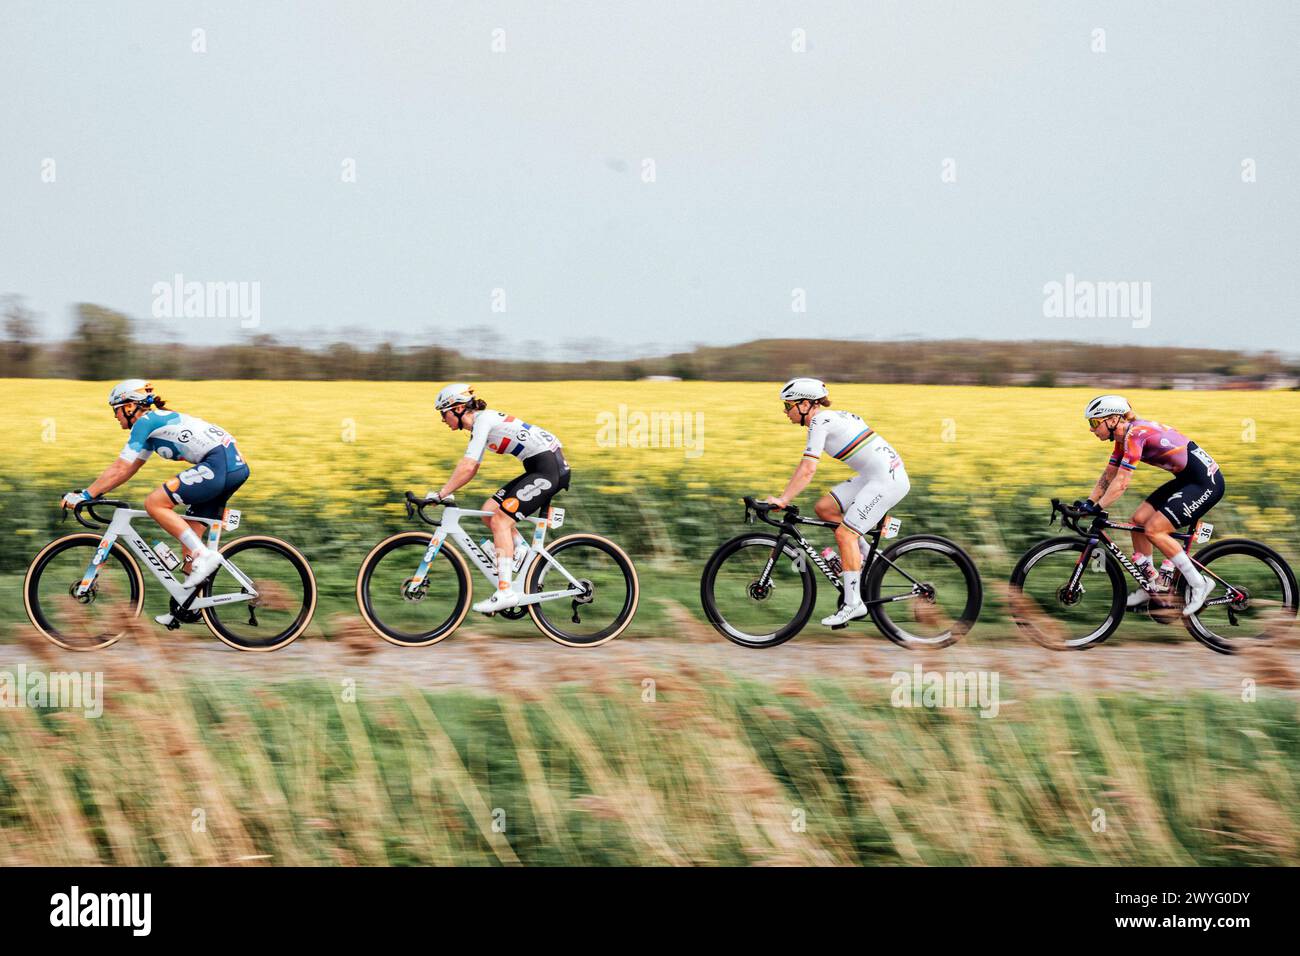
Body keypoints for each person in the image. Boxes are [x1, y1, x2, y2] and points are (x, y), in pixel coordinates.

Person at [62, 380, 250, 624]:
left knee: (155, 503)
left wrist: (85, 495)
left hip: (219, 465)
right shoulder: (151, 430)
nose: (115, 417)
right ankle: (191, 607)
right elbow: (127, 470)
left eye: (115, 410)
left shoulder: (145, 423)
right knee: (189, 546)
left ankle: (204, 557)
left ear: (130, 407)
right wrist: (94, 492)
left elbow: (120, 466)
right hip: (230, 466)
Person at [765, 377, 910, 627]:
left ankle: (853, 603)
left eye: (788, 406)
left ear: (805, 404)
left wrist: (784, 499)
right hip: (875, 477)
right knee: (825, 508)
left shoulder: (820, 422)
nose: (785, 412)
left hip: (886, 480)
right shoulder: (831, 417)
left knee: (845, 535)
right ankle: (867, 559)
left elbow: (808, 469)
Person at [428, 383, 570, 614]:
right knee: (490, 511)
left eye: (443, 414)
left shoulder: (483, 421)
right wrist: (445, 491)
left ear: (456, 408)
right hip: (540, 467)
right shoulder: (480, 425)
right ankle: (526, 562)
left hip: (547, 469)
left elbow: (469, 465)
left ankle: (505, 592)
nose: (443, 420)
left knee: (501, 521)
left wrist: (441, 494)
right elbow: (471, 468)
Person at [1078, 394, 1222, 616]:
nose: (1091, 429)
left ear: (1113, 419)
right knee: (1137, 522)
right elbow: (1109, 475)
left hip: (1205, 483)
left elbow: (1122, 483)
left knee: (1155, 530)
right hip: (1186, 480)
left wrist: (1097, 508)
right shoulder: (1122, 438)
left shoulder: (1135, 435)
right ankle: (1152, 585)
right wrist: (1088, 502)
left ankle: (1200, 583)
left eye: (1094, 423)